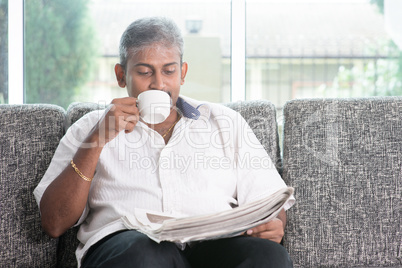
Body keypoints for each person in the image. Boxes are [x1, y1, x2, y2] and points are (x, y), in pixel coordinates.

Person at [34, 17, 295, 268]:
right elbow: (54, 222)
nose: (159, 84)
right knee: (146, 253)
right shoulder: (90, 128)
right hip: (130, 249)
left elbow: (270, 203)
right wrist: (97, 139)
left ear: (182, 73)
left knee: (269, 256)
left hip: (213, 246)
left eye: (169, 71)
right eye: (145, 72)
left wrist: (271, 225)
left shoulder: (225, 122)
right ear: (121, 75)